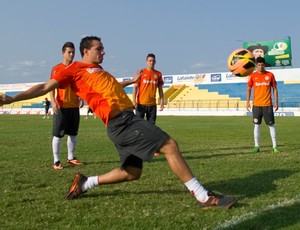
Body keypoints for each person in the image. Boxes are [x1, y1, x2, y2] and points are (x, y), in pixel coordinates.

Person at [0, 36, 235, 209]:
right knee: (169, 145)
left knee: (131, 173)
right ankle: (204, 196)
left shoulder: (98, 71)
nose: (103, 52)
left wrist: (130, 81)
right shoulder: (73, 70)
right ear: (86, 51)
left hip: (122, 122)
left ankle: (85, 183)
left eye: (103, 49)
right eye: (99, 49)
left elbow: (112, 87)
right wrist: (13, 98)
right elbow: (44, 86)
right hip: (122, 122)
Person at [50, 42, 83, 170]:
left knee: (73, 134)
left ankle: (71, 157)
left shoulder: (77, 68)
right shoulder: (56, 69)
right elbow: (51, 86)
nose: (71, 55)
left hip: (74, 106)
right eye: (69, 52)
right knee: (58, 135)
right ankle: (56, 161)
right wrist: (53, 102)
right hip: (61, 106)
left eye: (73, 52)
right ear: (62, 53)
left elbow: (79, 85)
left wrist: (80, 98)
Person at [132, 53, 164, 157]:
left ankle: (152, 149)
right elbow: (135, 87)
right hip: (141, 104)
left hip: (152, 105)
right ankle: (137, 147)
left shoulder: (158, 74)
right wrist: (133, 100)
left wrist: (162, 101)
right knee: (138, 127)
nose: (151, 62)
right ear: (146, 61)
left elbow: (160, 89)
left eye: (153, 61)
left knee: (152, 128)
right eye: (150, 61)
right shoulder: (141, 73)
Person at [246, 57, 279, 153]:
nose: (260, 67)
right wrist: (248, 102)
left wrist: (276, 102)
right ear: (256, 65)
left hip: (268, 104)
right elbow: (248, 89)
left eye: (262, 65)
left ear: (264, 65)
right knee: (257, 125)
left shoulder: (270, 75)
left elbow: (275, 89)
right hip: (256, 105)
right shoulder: (252, 76)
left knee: (271, 125)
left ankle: (275, 146)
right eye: (259, 65)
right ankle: (256, 146)